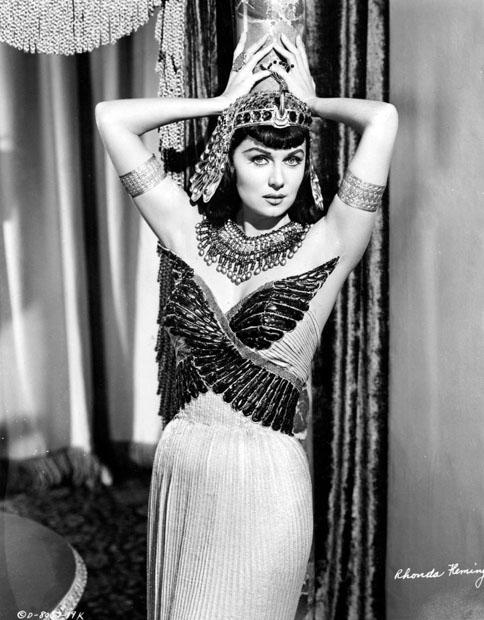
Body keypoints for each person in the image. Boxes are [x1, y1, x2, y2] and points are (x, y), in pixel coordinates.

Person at [96, 31, 398, 620]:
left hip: (265, 485)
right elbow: (112, 118)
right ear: (227, 159)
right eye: (259, 158)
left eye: (293, 158)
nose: (279, 178)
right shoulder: (185, 230)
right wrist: (220, 103)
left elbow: (382, 120)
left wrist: (313, 103)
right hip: (183, 468)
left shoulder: (330, 244)